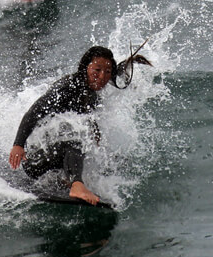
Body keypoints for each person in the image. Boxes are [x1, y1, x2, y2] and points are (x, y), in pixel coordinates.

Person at [9, 45, 150, 205]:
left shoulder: (90, 87)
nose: (102, 77)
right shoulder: (67, 88)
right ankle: (77, 185)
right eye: (97, 70)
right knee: (74, 144)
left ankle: (68, 179)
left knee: (106, 157)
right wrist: (18, 145)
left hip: (55, 161)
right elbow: (33, 113)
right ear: (85, 68)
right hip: (34, 161)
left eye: (107, 72)